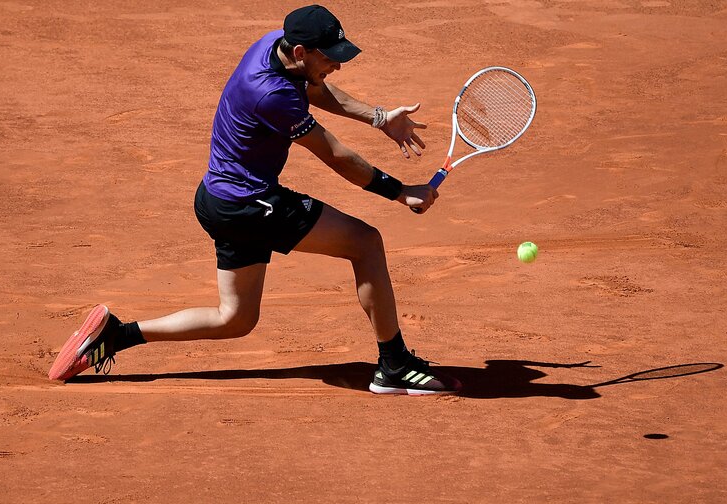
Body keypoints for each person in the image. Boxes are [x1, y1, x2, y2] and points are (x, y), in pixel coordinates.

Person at [49, 5, 461, 395]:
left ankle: (115, 336)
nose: (338, 64)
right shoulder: (270, 95)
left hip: (219, 199)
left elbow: (313, 85)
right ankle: (394, 366)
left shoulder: (273, 45)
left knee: (236, 318)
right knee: (365, 243)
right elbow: (336, 155)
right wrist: (400, 191)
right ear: (300, 51)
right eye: (330, 56)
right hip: (251, 204)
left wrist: (377, 117)